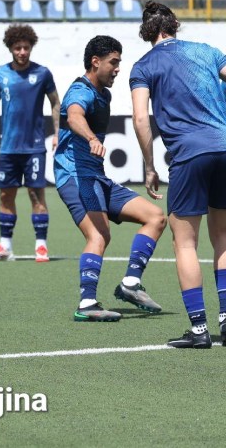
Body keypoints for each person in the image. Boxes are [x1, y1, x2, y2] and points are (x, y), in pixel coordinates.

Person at [130, 1, 226, 349]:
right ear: (175, 24)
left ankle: (199, 328)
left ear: (146, 31)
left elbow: (141, 119)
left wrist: (149, 165)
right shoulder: (207, 51)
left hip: (189, 155)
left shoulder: (143, 66)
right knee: (223, 236)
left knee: (185, 242)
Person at [55, 35, 167, 322]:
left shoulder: (103, 94)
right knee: (98, 235)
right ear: (95, 62)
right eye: (113, 62)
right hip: (75, 176)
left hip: (97, 177)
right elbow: (74, 116)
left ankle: (130, 284)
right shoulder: (80, 90)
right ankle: (87, 303)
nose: (117, 69)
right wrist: (91, 138)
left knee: (156, 218)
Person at [0, 24, 61, 263]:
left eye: (26, 47)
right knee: (6, 196)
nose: (22, 52)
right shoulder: (0, 74)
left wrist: (57, 133)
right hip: (8, 147)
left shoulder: (43, 73)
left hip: (34, 147)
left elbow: (55, 103)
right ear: (10, 48)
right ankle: (5, 246)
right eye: (18, 48)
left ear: (31, 47)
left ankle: (41, 246)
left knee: (36, 195)